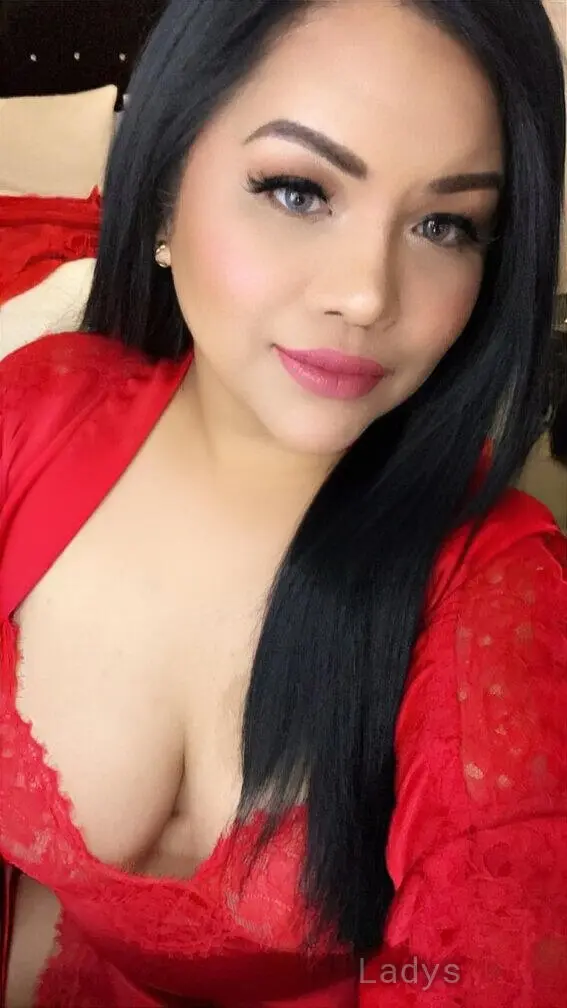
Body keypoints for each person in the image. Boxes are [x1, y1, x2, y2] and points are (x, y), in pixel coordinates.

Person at [1, 0, 566, 1004]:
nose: (367, 294)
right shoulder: (34, 416)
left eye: (444, 224)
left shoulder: (495, 593)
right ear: (163, 193)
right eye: (299, 190)